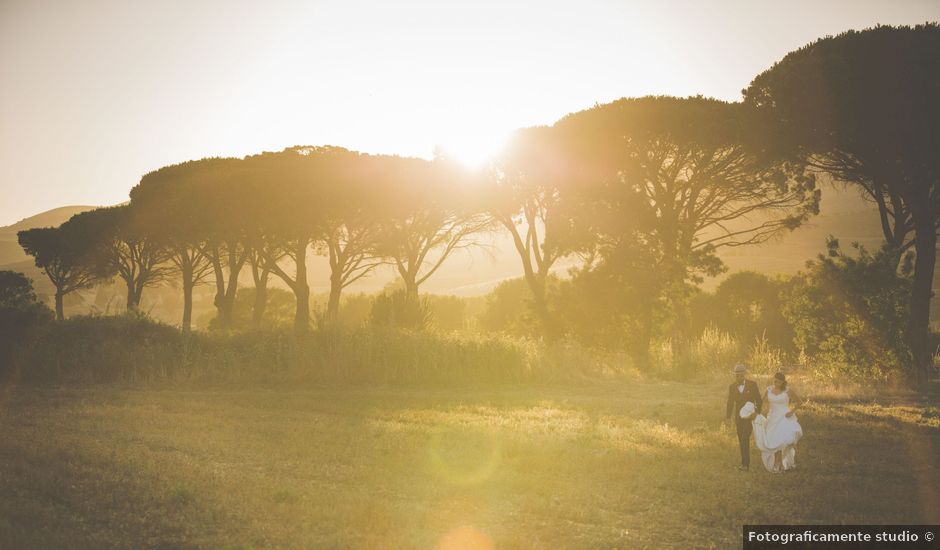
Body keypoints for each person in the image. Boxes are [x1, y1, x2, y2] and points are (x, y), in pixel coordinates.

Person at [753, 372, 803, 473]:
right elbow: (760, 401)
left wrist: (791, 411)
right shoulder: (769, 390)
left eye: (779, 381)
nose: (776, 383)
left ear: (783, 382)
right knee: (773, 440)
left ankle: (777, 464)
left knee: (781, 440)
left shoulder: (787, 390)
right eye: (775, 380)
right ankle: (779, 464)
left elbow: (799, 402)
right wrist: (753, 408)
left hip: (784, 417)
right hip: (772, 417)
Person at [725, 364, 762, 471]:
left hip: (750, 416)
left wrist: (756, 412)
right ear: (735, 376)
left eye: (741, 375)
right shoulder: (732, 387)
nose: (739, 377)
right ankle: (743, 463)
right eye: (737, 376)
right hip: (738, 418)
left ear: (744, 374)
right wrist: (728, 417)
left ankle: (746, 465)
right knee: (741, 439)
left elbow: (758, 400)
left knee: (745, 438)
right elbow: (730, 403)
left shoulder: (752, 385)